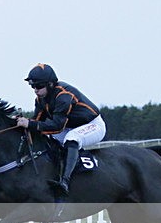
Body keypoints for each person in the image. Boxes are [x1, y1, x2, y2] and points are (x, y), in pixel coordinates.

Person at [16, 63, 106, 197]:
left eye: (39, 86)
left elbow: (57, 126)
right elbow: (37, 122)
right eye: (32, 86)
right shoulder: (40, 99)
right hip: (70, 126)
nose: (35, 89)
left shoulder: (63, 96)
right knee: (49, 140)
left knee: (72, 138)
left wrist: (29, 123)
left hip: (92, 124)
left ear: (50, 84)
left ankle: (65, 181)